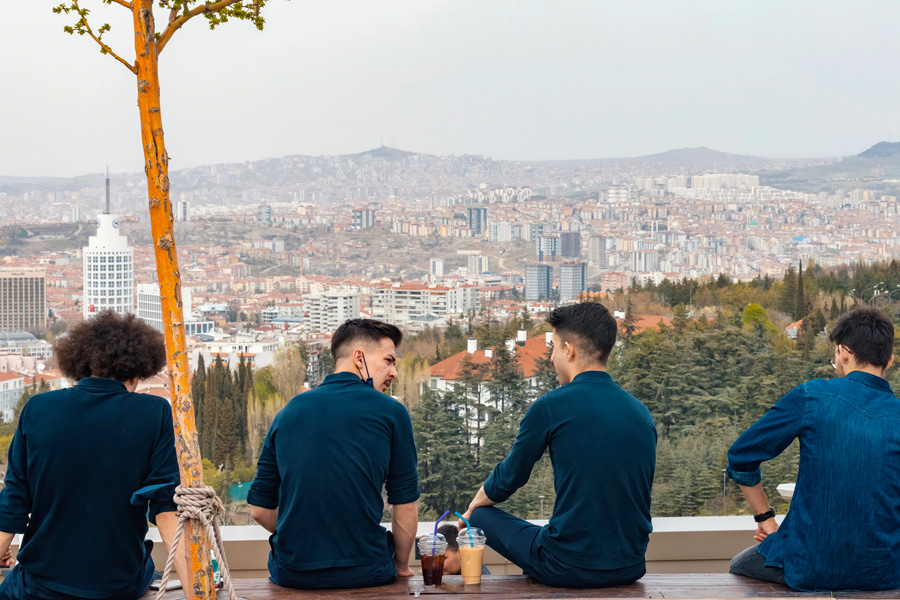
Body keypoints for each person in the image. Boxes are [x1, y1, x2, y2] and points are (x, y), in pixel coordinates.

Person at [458, 302, 657, 588]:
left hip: (567, 566)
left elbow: (509, 478)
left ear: (570, 350)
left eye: (553, 348)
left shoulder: (551, 406)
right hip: (631, 565)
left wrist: (472, 507)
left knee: (480, 517)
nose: (551, 358)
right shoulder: (641, 412)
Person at [0, 310, 189, 600]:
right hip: (118, 585)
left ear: (81, 363)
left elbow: (14, 500)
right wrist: (198, 592)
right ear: (138, 371)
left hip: (41, 584)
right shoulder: (155, 413)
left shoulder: (37, 408)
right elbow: (166, 510)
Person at [727, 306, 900, 591]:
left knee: (738, 566)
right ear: (889, 360)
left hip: (811, 567)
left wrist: (767, 522)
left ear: (843, 352)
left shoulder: (813, 396)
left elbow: (741, 456)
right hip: (885, 573)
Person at [248, 318, 419, 590]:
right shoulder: (392, 412)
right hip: (368, 571)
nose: (393, 372)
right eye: (388, 360)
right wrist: (401, 565)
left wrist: (299, 537)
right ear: (358, 358)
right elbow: (405, 504)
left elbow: (259, 510)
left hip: (293, 574)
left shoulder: (288, 411)